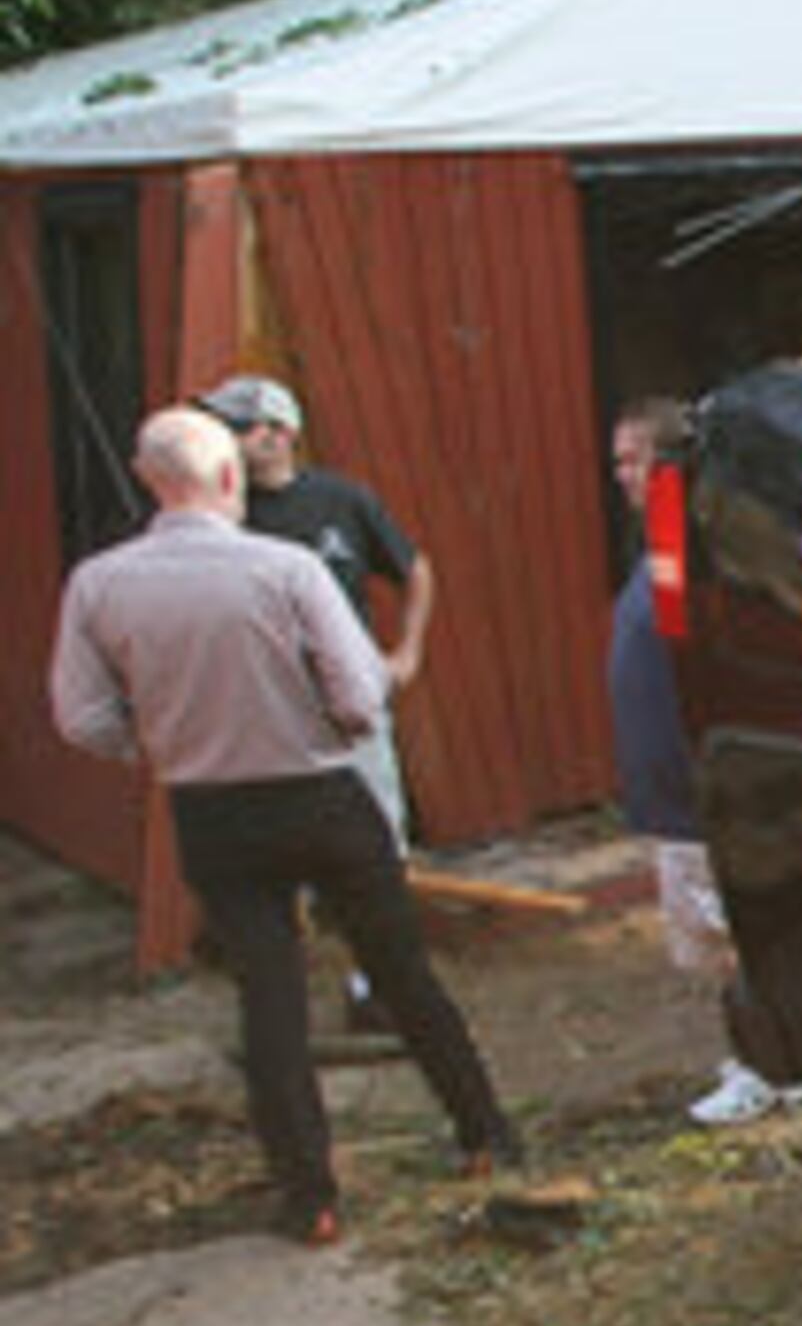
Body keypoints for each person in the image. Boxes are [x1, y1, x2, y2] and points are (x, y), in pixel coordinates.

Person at [49, 408, 519, 1245]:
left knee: (269, 1000)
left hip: (210, 806)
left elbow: (81, 715)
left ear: (150, 480)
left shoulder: (99, 583)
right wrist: (335, 726)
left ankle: (312, 1199)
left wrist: (150, 739)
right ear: (229, 478)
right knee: (401, 970)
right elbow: (360, 693)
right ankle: (487, 1133)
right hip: (319, 791)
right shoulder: (287, 568)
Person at [199, 372, 433, 1032]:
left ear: (280, 433)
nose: (229, 441)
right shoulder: (223, 518)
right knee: (276, 848)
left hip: (350, 703)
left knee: (378, 838)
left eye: (238, 427)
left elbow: (414, 567)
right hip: (267, 711)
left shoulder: (342, 500)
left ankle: (375, 985)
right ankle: (278, 997)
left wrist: (406, 652)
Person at [605, 398, 799, 1126]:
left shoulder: (705, 543)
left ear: (669, 463)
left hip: (701, 792)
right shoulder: (663, 545)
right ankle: (769, 1055)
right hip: (670, 789)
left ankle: (767, 1067)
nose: (619, 475)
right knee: (722, 940)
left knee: (733, 939)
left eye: (632, 459)